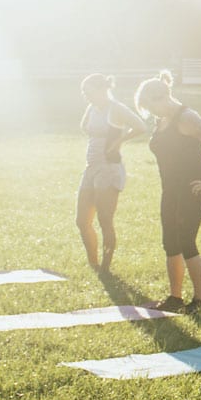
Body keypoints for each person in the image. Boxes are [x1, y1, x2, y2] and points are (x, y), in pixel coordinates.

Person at [134, 70, 201, 314]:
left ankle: (200, 301)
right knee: (170, 242)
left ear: (160, 97)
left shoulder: (187, 117)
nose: (150, 112)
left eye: (149, 106)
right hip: (171, 188)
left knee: (186, 241)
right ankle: (175, 298)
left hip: (193, 188)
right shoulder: (162, 120)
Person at [76, 74, 143, 271]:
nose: (85, 96)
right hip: (91, 167)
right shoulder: (92, 108)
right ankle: (93, 263)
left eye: (87, 91)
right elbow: (84, 127)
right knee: (82, 221)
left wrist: (119, 140)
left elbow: (141, 126)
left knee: (104, 219)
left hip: (109, 168)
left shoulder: (116, 109)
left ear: (100, 90)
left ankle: (105, 267)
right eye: (83, 92)